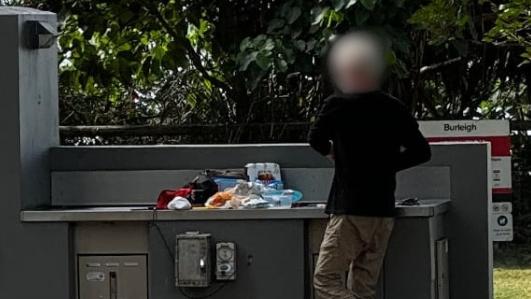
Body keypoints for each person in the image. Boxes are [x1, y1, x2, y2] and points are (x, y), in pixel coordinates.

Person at [308, 31, 431, 299]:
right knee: (364, 285)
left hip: (350, 208)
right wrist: (385, 165)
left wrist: (333, 153)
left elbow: (314, 138)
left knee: (325, 279)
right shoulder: (394, 107)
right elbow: (422, 152)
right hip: (383, 210)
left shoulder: (337, 104)